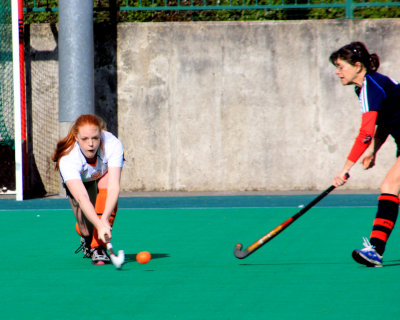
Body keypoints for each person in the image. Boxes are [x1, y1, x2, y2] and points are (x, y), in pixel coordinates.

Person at [329, 41, 400, 267]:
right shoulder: (365, 87)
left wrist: (345, 168)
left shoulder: (370, 86)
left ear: (357, 66)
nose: (336, 71)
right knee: (391, 187)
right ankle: (375, 250)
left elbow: (364, 134)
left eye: (341, 66)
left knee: (389, 186)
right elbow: (387, 121)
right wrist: (375, 151)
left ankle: (375, 250)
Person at [52, 114, 124, 265]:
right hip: (80, 183)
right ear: (77, 137)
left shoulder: (112, 144)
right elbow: (82, 197)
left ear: (100, 135)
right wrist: (98, 225)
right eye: (85, 139)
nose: (91, 144)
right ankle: (85, 234)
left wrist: (104, 220)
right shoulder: (68, 158)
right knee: (87, 229)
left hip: (102, 175)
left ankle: (98, 248)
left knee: (103, 201)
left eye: (95, 138)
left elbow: (113, 187)